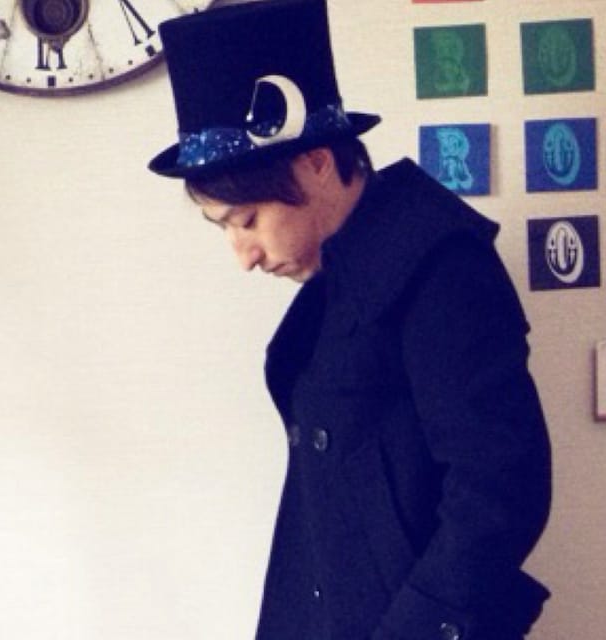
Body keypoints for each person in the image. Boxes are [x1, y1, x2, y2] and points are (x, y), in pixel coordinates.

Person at [148, 1, 553, 638]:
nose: (244, 257)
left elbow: (501, 490)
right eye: (223, 228)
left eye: (247, 221)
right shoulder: (338, 271)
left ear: (315, 162)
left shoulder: (440, 267)